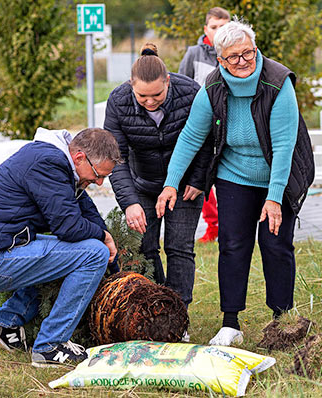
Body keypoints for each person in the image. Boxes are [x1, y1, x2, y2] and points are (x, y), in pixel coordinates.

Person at [156, 19, 314, 346]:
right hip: (234, 175)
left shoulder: (278, 82)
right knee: (232, 245)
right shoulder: (213, 88)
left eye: (248, 53)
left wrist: (274, 198)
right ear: (220, 60)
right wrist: (171, 183)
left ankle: (281, 318)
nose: (242, 61)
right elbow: (190, 138)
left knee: (275, 243)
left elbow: (284, 145)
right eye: (234, 57)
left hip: (278, 173)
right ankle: (231, 323)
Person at [0, 127, 122, 367]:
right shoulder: (48, 164)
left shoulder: (58, 162)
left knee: (79, 251)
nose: (99, 182)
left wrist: (115, 260)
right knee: (93, 254)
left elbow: (86, 210)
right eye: (98, 174)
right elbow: (69, 227)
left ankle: (6, 322)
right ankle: (50, 346)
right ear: (80, 157)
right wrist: (103, 238)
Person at [104, 44, 211, 335]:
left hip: (185, 186)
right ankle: (154, 310)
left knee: (180, 248)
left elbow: (206, 139)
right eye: (142, 96)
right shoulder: (118, 101)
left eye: (157, 95)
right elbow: (117, 157)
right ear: (131, 86)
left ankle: (178, 316)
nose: (150, 101)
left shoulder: (191, 93)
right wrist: (129, 202)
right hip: (143, 186)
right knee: (145, 247)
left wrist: (198, 180)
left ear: (168, 82)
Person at [178, 6, 230, 243]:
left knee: (228, 179)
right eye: (214, 27)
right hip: (201, 128)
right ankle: (213, 225)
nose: (219, 32)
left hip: (227, 127)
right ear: (205, 29)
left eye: (223, 27)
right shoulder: (193, 53)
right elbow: (182, 87)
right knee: (202, 177)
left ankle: (230, 224)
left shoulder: (236, 53)